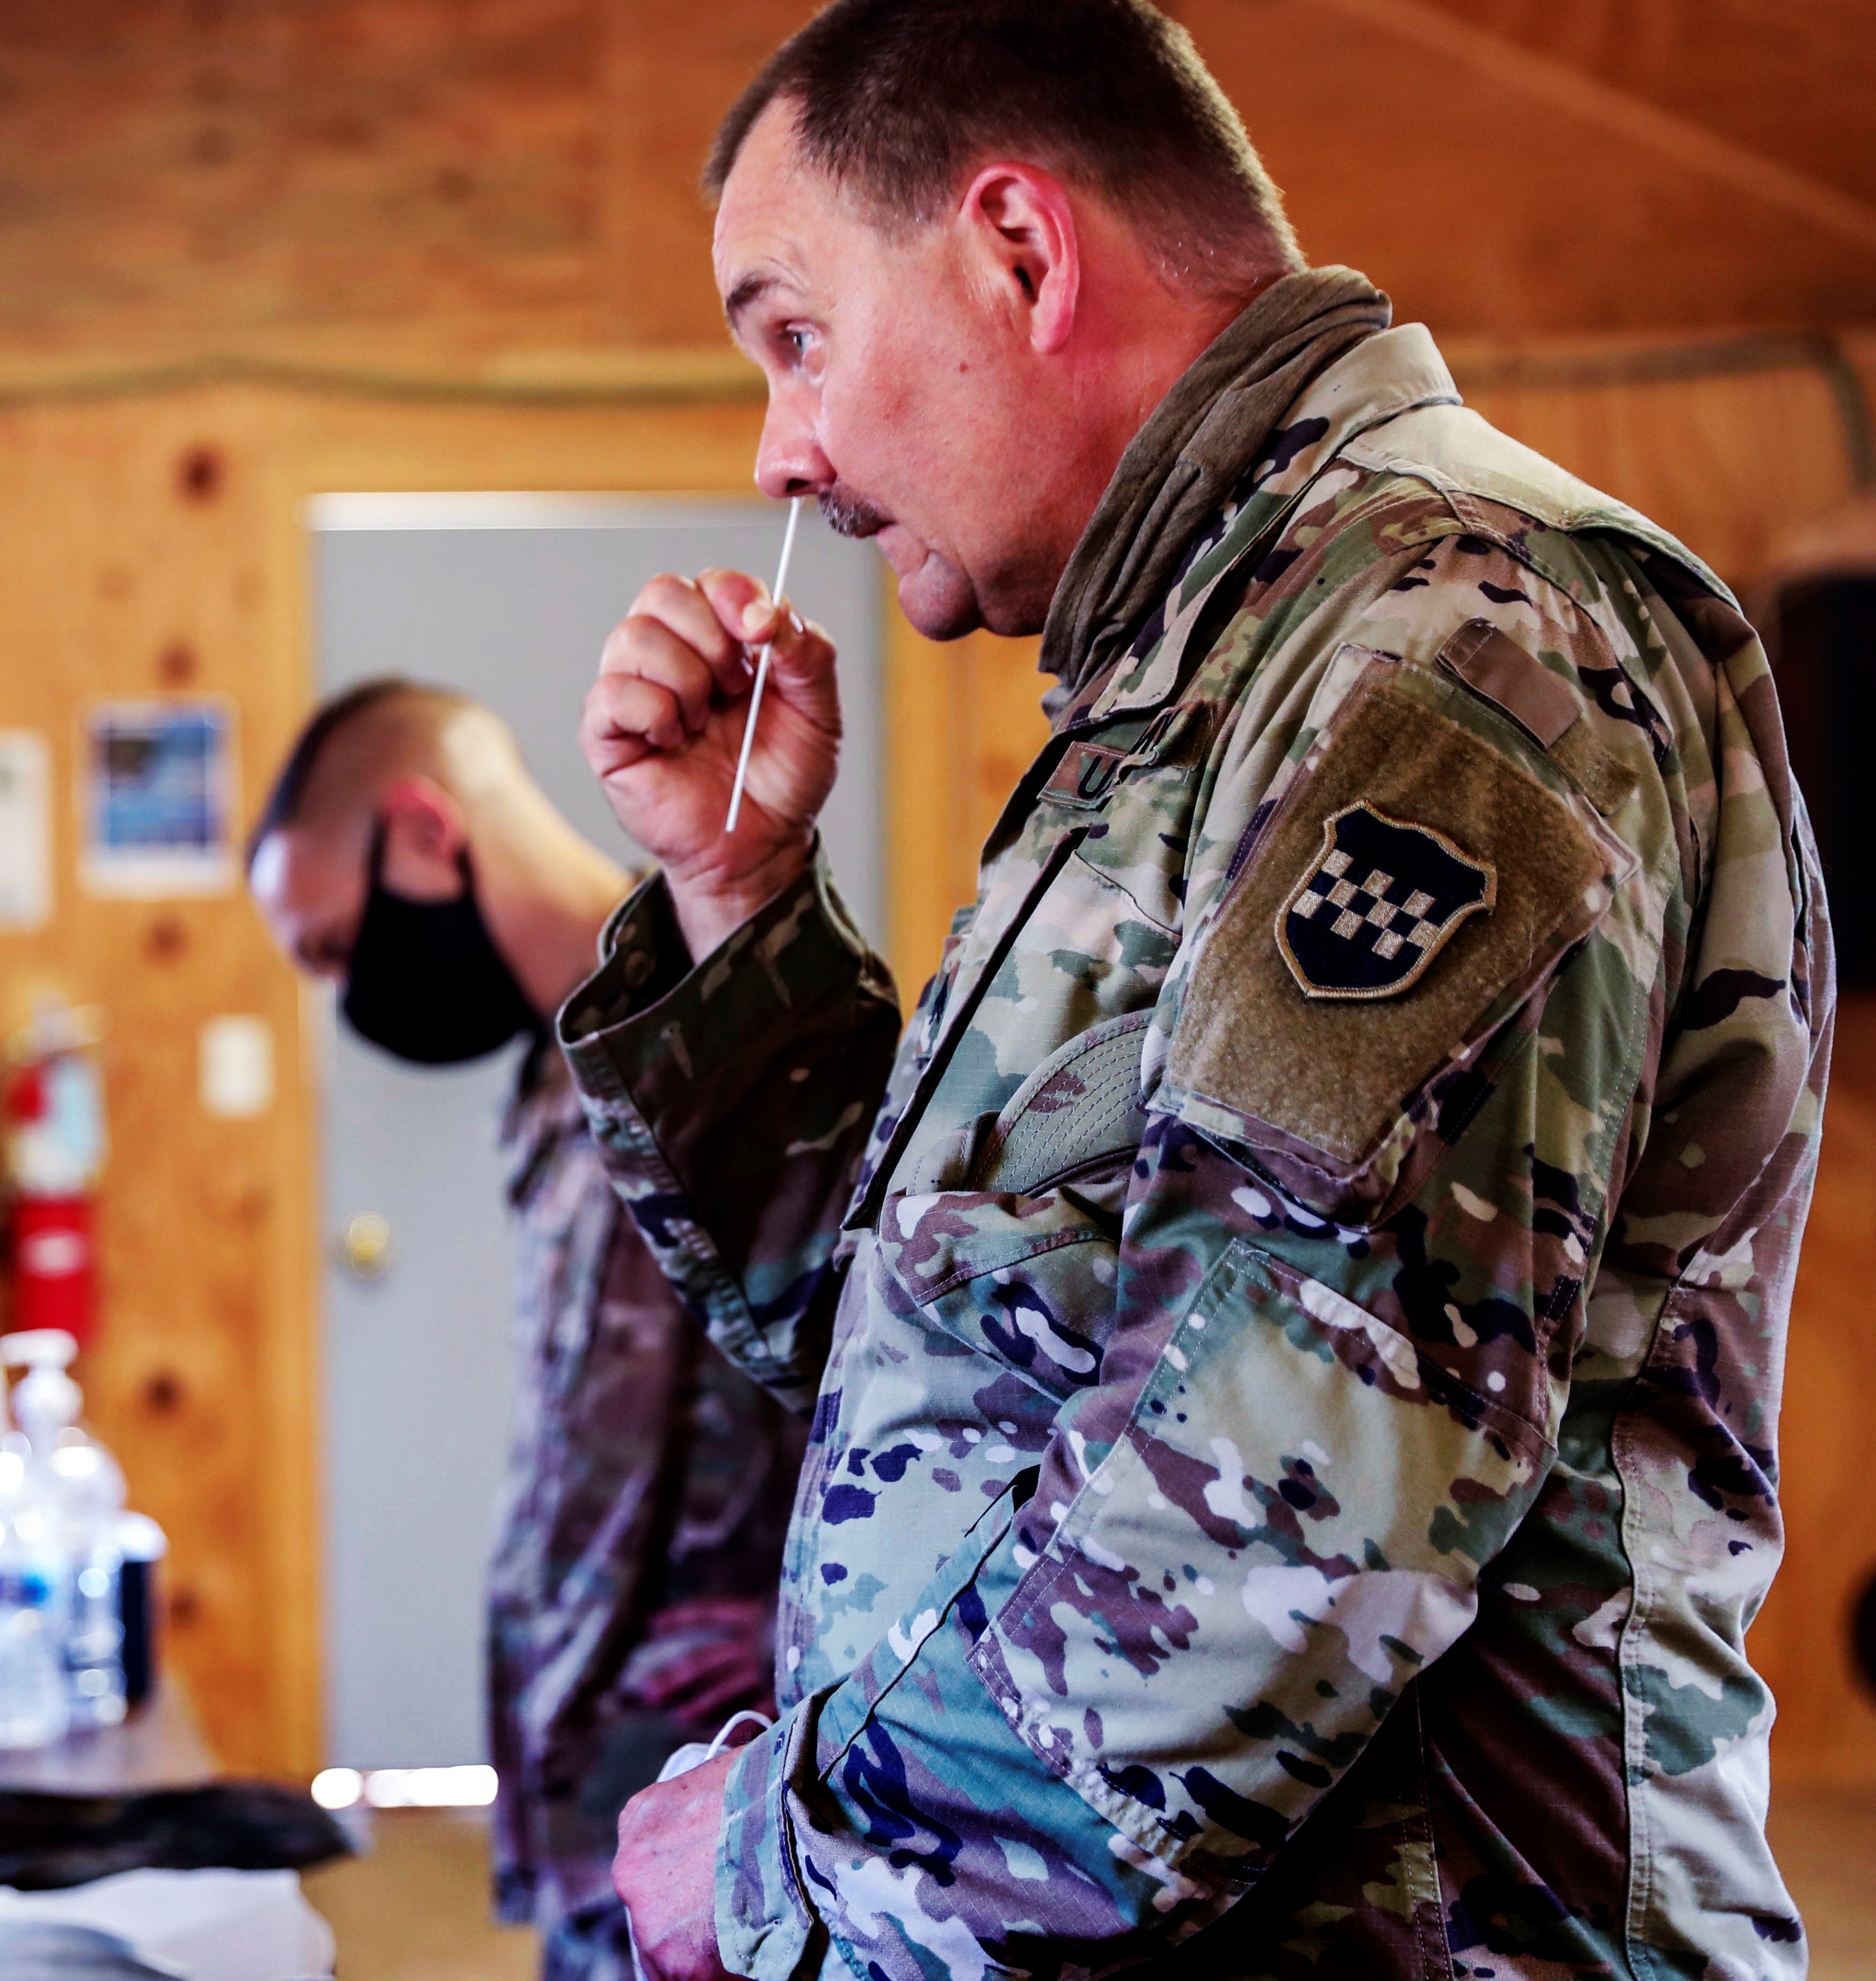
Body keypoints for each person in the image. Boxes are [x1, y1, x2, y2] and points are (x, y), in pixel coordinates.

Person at [571, 5, 1833, 1978]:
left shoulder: (1446, 641)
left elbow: (1279, 1514)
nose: (777, 452)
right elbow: (938, 1375)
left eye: (795, 335)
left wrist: (779, 1880)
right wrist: (737, 893)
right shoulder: (1209, 675)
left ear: (1019, 248)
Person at [244, 682, 806, 1981]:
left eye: (332, 948)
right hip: (603, 1770)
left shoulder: (718, 1017)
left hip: (723, 1766)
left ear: (421, 832)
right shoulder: (554, 1065)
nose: (346, 991)